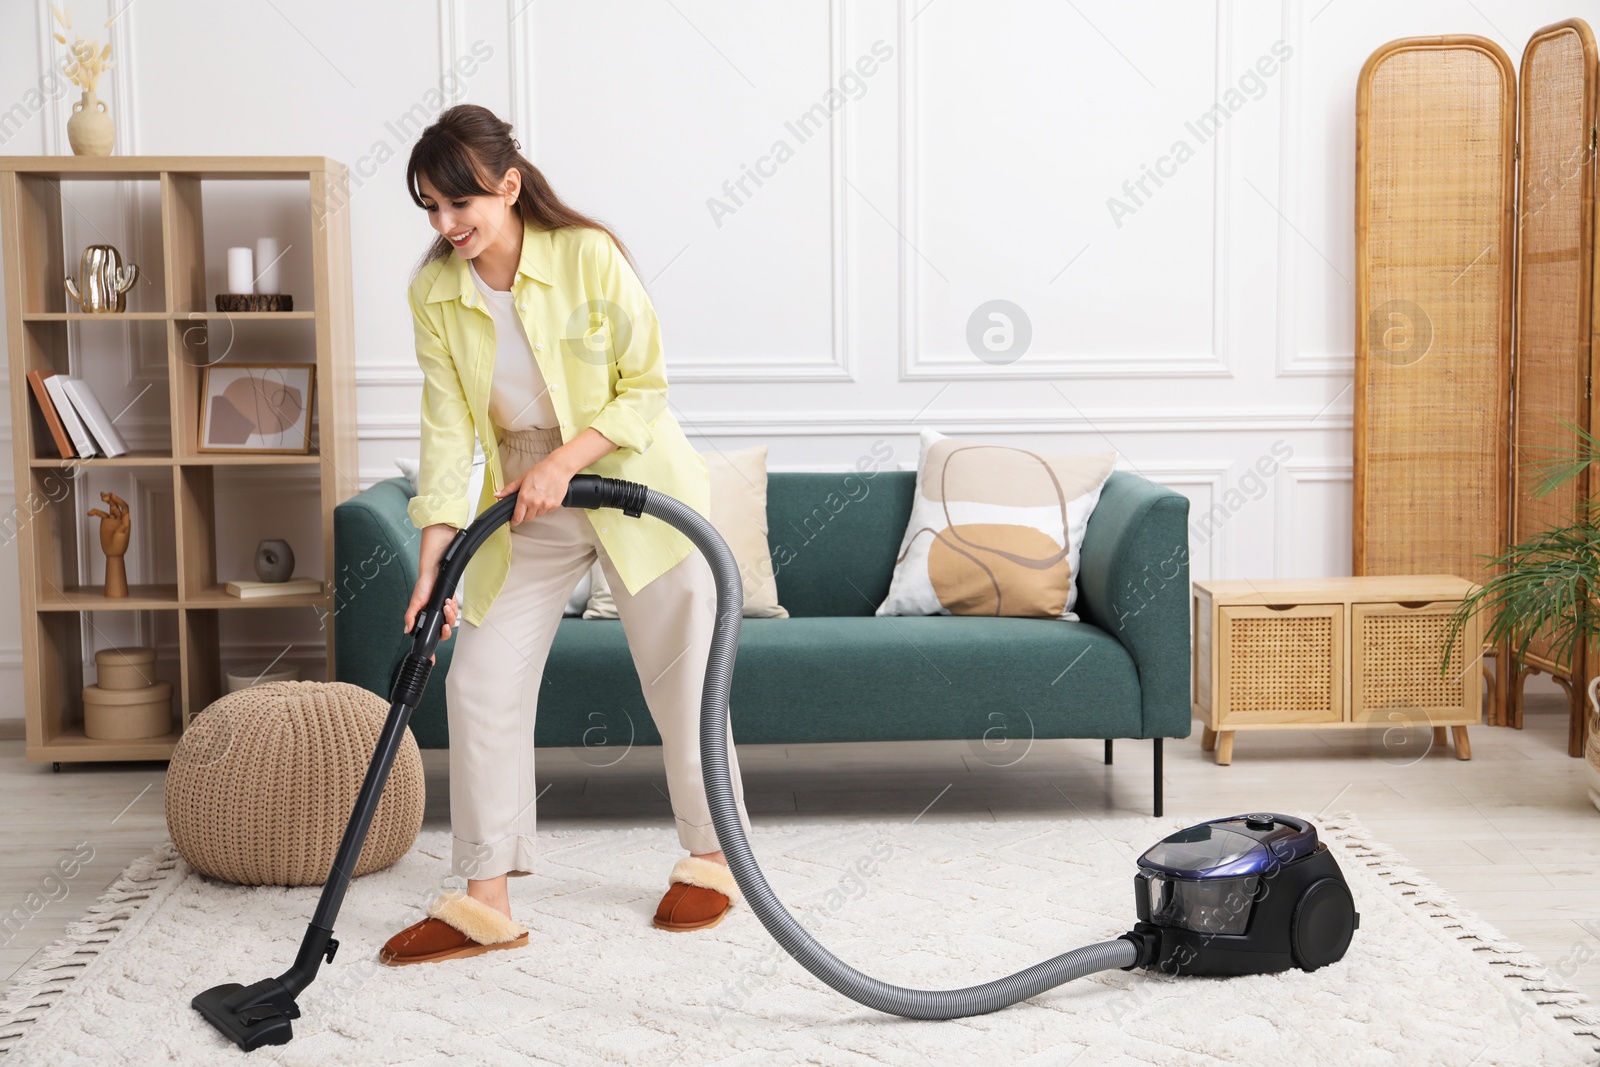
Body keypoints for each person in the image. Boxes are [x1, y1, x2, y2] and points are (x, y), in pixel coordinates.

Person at [380, 104, 753, 966]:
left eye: (458, 204)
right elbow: (446, 429)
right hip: (523, 501)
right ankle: (487, 899)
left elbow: (643, 387)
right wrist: (436, 548)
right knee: (480, 679)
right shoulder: (433, 291)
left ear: (508, 187)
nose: (445, 226)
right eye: (430, 207)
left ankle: (711, 856)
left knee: (683, 679)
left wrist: (566, 463)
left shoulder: (587, 255)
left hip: (635, 483)